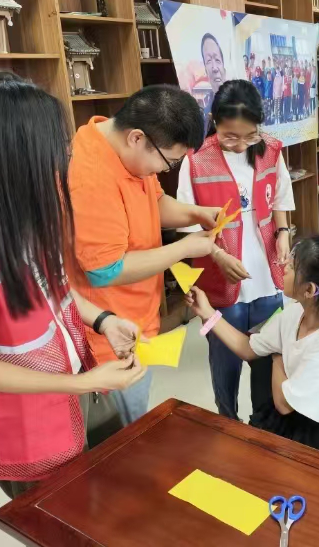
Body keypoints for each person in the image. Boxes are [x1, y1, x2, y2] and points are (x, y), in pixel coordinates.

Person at [0, 72, 146, 499]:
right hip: (31, 427)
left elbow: (54, 288)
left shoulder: (23, 218)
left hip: (82, 390)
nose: (62, 160)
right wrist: (81, 385)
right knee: (62, 516)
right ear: (13, 156)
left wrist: (103, 320)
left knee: (114, 498)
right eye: (54, 149)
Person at [68, 85, 219, 425]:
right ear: (137, 138)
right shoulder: (90, 176)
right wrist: (184, 248)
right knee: (124, 433)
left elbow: (155, 201)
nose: (165, 171)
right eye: (169, 162)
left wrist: (195, 214)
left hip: (138, 321)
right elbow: (105, 269)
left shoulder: (123, 149)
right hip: (110, 338)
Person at [185, 234, 319, 469]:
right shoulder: (295, 313)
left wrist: (277, 356)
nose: (283, 266)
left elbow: (284, 405)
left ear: (309, 290)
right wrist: (208, 313)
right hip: (293, 408)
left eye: (292, 267)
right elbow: (247, 348)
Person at [177, 80, 294, 420]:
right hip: (219, 278)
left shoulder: (271, 149)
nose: (241, 144)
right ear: (214, 120)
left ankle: (264, 422)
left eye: (250, 136)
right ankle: (227, 421)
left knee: (268, 359)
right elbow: (188, 223)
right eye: (230, 137)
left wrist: (283, 233)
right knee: (224, 360)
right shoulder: (196, 159)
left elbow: (281, 198)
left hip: (266, 275)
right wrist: (217, 255)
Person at [201, 33, 227, 124]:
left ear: (224, 68)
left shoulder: (240, 105)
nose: (215, 68)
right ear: (206, 71)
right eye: (208, 61)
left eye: (217, 60)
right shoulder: (206, 114)